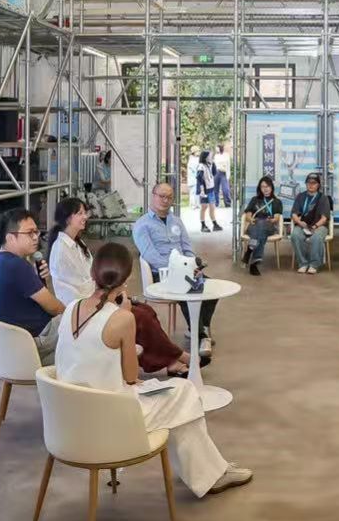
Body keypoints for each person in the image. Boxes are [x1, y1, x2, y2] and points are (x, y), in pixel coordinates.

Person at [54, 243, 252, 498]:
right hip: (111, 417)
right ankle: (211, 473)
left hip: (69, 417)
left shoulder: (72, 307)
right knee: (185, 392)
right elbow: (131, 377)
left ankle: (209, 471)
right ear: (126, 279)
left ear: (93, 274)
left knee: (179, 398)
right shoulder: (121, 318)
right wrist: (125, 319)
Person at [49, 197, 198, 377]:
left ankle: (171, 361)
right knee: (141, 317)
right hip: (85, 307)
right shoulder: (61, 250)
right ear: (67, 218)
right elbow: (79, 288)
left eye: (84, 212)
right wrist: (111, 298)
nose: (85, 216)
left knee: (146, 311)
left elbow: (93, 278)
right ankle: (178, 357)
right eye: (79, 213)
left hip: (99, 298)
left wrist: (113, 294)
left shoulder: (78, 244)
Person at [132, 182, 220, 355]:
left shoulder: (177, 221)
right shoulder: (142, 225)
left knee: (212, 289)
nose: (165, 200)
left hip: (185, 270)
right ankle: (201, 336)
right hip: (161, 274)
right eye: (162, 196)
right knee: (189, 290)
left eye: (169, 197)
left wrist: (193, 265)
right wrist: (179, 269)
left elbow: (187, 248)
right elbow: (150, 256)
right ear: (153, 196)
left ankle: (198, 327)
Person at [0, 208, 67, 365]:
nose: (36, 237)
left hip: (14, 344)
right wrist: (72, 314)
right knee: (85, 322)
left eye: (36, 232)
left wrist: (38, 279)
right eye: (29, 233)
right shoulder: (17, 266)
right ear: (10, 238)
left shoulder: (1, 261)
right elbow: (55, 308)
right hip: (36, 340)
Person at [289, 172, 332, 274]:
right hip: (303, 225)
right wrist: (299, 222)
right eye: (308, 183)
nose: (311, 185)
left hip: (319, 226)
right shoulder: (300, 196)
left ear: (318, 185)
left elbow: (324, 218)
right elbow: (294, 214)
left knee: (316, 237)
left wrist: (315, 226)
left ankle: (314, 264)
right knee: (295, 235)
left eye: (314, 183)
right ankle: (303, 263)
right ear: (306, 184)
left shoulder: (323, 198)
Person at [240, 175, 283, 277]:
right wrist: (250, 219)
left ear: (271, 187)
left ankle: (249, 250)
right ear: (260, 188)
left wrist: (272, 220)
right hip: (254, 224)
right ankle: (254, 263)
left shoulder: (277, 201)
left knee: (262, 224)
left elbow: (277, 217)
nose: (265, 189)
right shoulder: (255, 199)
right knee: (260, 230)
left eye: (267, 186)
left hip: (269, 225)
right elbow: (248, 214)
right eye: (263, 187)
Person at [195, 150, 221, 233]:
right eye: (209, 156)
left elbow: (214, 173)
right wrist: (202, 190)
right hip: (204, 190)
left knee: (212, 207)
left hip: (211, 189)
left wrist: (213, 163)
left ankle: (215, 224)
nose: (211, 157)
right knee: (204, 207)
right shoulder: (201, 166)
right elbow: (199, 179)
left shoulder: (209, 165)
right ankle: (203, 225)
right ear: (205, 157)